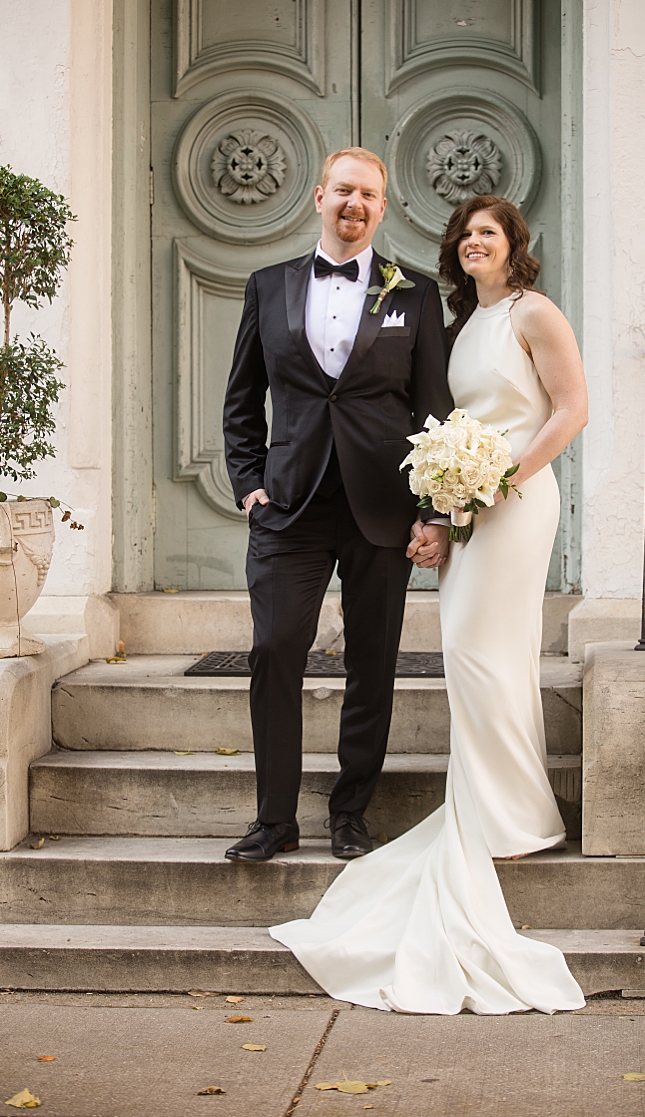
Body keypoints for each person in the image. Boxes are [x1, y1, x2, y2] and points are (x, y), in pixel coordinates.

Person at [271, 195, 589, 1014]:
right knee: (469, 652)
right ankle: (496, 807)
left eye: (490, 231)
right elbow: (449, 421)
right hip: (469, 502)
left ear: (516, 245)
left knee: (487, 651)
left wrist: (500, 481)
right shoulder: (461, 323)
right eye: (466, 234)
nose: (475, 241)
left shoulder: (533, 312)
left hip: (516, 499)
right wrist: (448, 508)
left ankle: (513, 821)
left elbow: (570, 411)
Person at [221, 147, 453, 863]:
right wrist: (250, 482)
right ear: (320, 195)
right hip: (288, 507)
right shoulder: (267, 286)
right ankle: (274, 818)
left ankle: (351, 812)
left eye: (370, 195)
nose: (355, 204)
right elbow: (241, 400)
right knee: (274, 650)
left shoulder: (413, 292)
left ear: (383, 208)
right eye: (344, 190)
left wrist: (435, 511)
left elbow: (433, 410)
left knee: (372, 662)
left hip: (382, 508)